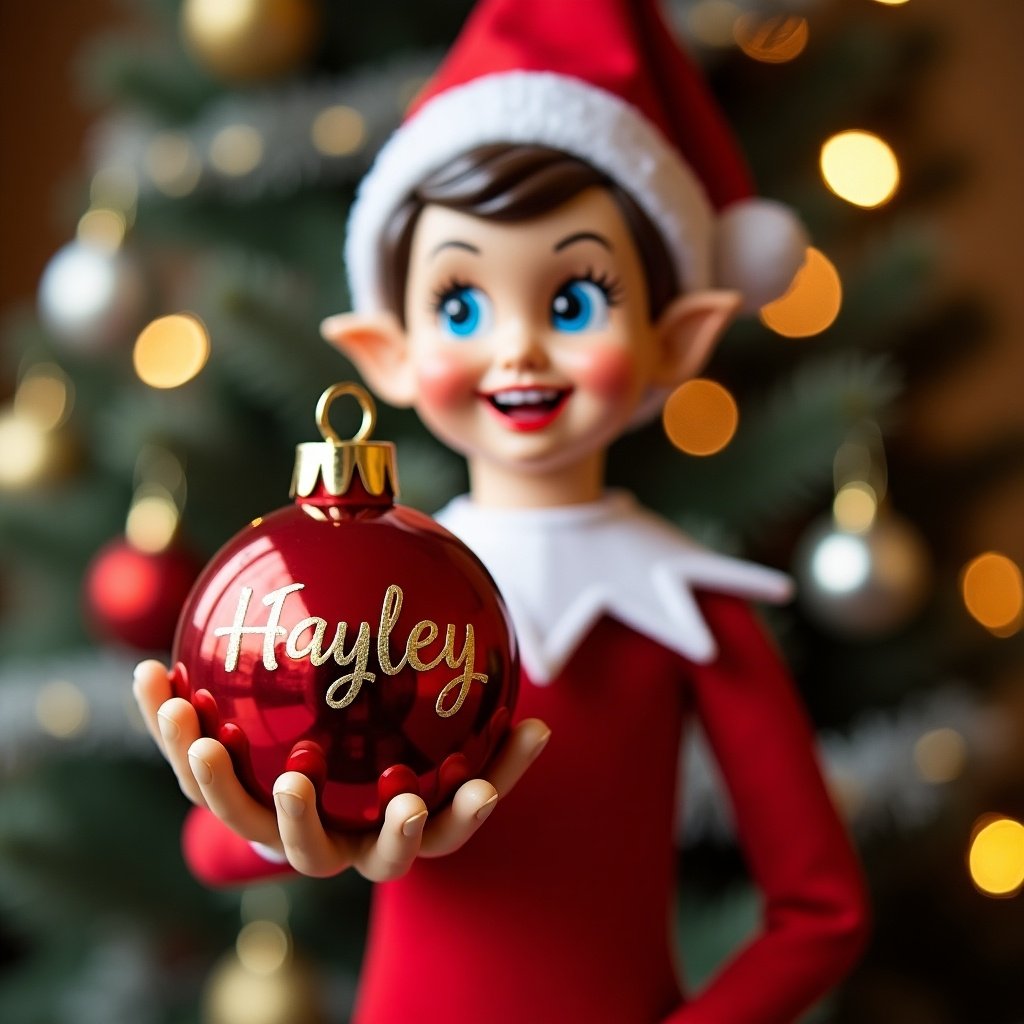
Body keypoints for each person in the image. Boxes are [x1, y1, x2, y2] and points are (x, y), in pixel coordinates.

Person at [134, 2, 869, 1021]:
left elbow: (819, 909)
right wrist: (275, 819)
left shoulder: (687, 614)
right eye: (461, 305)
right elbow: (217, 850)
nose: (516, 350)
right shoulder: (356, 608)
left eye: (573, 302)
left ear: (678, 338)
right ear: (384, 350)